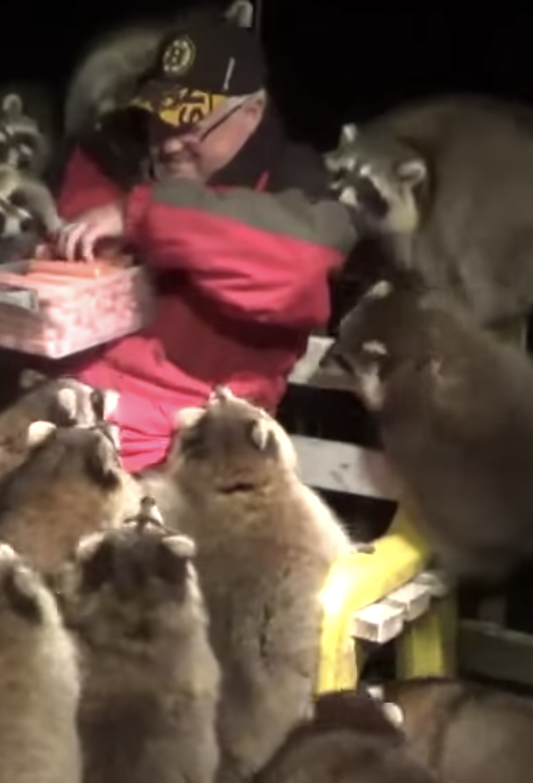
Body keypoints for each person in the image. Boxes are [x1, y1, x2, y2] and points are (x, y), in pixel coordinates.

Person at [45, 7, 358, 472]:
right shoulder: (113, 155)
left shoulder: (299, 184)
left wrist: (141, 214)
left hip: (195, 452)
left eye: (190, 121)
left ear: (251, 112)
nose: (169, 141)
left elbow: (297, 268)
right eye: (159, 118)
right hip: (64, 424)